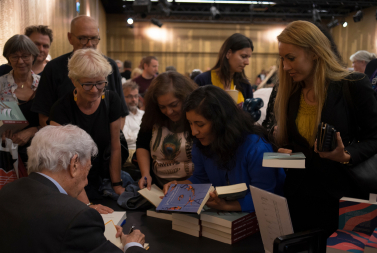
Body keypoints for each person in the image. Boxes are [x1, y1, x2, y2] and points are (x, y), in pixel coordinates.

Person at [0, 125, 155, 253]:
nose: (86, 182)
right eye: (88, 170)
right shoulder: (76, 216)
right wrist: (133, 245)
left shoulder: (9, 192)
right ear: (74, 164)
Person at [274, 21, 377, 239]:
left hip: (342, 197)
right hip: (299, 198)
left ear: (314, 53)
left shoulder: (353, 84)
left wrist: (347, 155)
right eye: (282, 59)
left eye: (290, 58)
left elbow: (374, 137)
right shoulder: (290, 92)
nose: (284, 66)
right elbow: (295, 143)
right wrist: (283, 150)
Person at [162, 86, 285, 212]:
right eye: (190, 123)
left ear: (221, 121)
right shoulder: (202, 142)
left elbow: (265, 197)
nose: (193, 132)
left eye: (200, 124)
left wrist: (225, 205)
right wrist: (180, 186)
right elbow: (201, 179)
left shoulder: (256, 148)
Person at [49, 49, 123, 210]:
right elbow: (62, 163)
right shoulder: (61, 110)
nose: (95, 90)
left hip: (101, 181)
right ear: (73, 80)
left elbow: (115, 146)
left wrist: (117, 184)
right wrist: (86, 204)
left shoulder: (111, 101)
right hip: (71, 185)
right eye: (88, 84)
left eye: (100, 83)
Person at [31, 15, 128, 127]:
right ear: (70, 38)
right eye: (82, 38)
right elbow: (44, 116)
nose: (89, 44)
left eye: (94, 38)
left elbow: (120, 113)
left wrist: (113, 140)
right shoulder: (54, 68)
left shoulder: (110, 66)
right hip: (64, 141)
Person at [0, 35, 41, 163]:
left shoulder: (43, 85)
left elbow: (52, 122)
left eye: (25, 56)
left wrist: (31, 131)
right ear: (8, 59)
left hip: (38, 153)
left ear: (33, 56)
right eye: (14, 56)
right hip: (3, 156)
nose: (20, 61)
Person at [136, 72, 196, 189]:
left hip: (192, 185)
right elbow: (142, 144)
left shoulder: (196, 116)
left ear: (185, 98)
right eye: (162, 107)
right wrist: (145, 174)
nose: (168, 112)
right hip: (158, 185)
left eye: (174, 105)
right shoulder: (152, 115)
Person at [194, 33, 253, 104]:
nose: (247, 62)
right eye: (243, 56)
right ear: (228, 53)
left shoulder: (245, 85)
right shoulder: (202, 80)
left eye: (248, 57)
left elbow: (249, 114)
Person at [122, 81, 144, 156]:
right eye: (129, 96)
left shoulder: (144, 114)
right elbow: (126, 138)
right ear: (122, 97)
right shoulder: (120, 117)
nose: (134, 100)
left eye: (136, 96)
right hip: (128, 153)